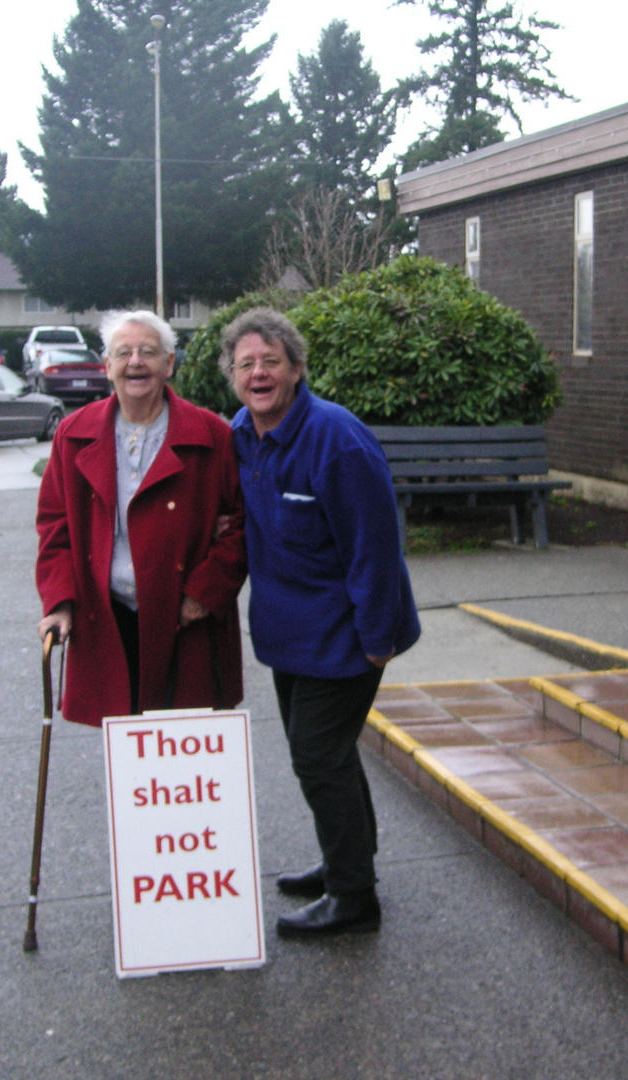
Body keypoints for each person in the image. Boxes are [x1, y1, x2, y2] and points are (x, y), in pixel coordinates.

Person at [223, 308, 420, 937]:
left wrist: (378, 637)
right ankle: (348, 860)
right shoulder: (241, 436)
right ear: (233, 376)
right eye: (246, 364)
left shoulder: (338, 439)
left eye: (271, 362)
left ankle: (354, 897)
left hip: (348, 630)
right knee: (325, 754)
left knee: (317, 756)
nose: (259, 373)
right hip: (289, 633)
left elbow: (377, 545)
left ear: (297, 368)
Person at [36, 310, 245, 725]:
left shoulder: (211, 435)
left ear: (168, 364)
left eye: (148, 352)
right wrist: (58, 602)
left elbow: (240, 525)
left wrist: (204, 593)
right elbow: (54, 524)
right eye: (124, 352)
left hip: (184, 621)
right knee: (126, 748)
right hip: (105, 618)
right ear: (107, 366)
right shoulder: (73, 435)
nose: (136, 362)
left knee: (183, 750)